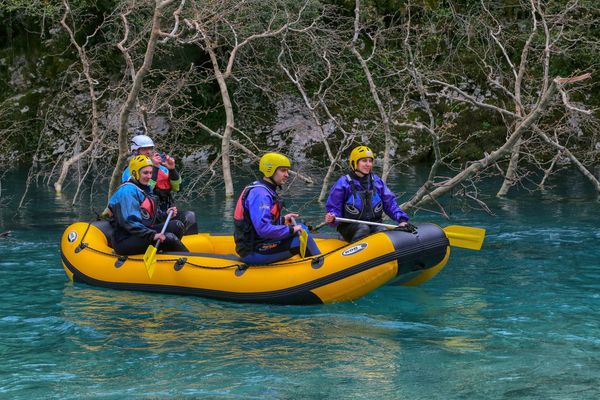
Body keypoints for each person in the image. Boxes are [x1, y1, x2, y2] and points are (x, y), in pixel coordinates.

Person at [233, 152, 321, 265]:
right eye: (283, 170)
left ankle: (308, 264)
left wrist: (283, 220)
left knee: (302, 227)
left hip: (259, 243)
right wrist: (290, 229)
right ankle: (320, 266)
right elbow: (263, 229)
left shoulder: (265, 189)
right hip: (253, 251)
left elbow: (258, 222)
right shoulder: (260, 194)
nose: (287, 175)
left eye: (287, 171)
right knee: (301, 237)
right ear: (270, 170)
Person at [324, 145, 411, 242]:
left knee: (381, 230)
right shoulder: (343, 183)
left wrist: (402, 220)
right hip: (349, 228)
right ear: (354, 163)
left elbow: (390, 204)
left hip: (375, 224)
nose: (368, 164)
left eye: (370, 161)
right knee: (363, 228)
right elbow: (334, 208)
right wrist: (332, 217)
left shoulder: (377, 182)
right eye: (364, 161)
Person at [109, 155, 189, 255]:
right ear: (135, 173)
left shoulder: (144, 189)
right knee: (169, 238)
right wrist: (152, 235)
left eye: (151, 172)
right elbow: (129, 222)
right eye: (145, 173)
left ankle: (167, 258)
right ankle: (191, 262)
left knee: (177, 226)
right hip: (125, 239)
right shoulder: (127, 192)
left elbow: (149, 216)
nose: (149, 176)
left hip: (142, 233)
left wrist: (165, 214)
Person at [122, 130, 198, 235]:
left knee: (189, 216)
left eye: (150, 148)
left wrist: (172, 169)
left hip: (167, 211)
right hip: (147, 216)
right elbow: (146, 190)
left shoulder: (162, 167)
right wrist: (155, 168)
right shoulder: (130, 171)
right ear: (136, 151)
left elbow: (178, 188)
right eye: (144, 149)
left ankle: (190, 244)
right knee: (177, 225)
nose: (148, 151)